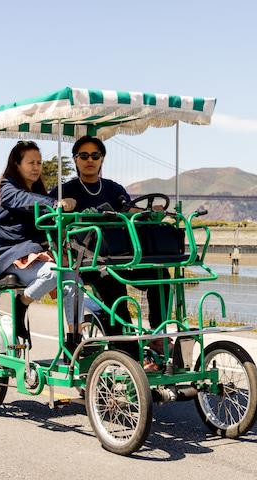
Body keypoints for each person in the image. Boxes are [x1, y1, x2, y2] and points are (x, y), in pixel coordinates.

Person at [51, 135, 171, 369]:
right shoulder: (64, 190)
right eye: (83, 155)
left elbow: (130, 209)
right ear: (75, 160)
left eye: (95, 155)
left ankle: (158, 334)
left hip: (118, 255)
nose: (89, 160)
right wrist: (61, 206)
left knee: (161, 275)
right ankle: (131, 358)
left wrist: (151, 212)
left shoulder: (114, 189)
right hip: (85, 260)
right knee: (113, 287)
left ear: (102, 159)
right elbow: (48, 214)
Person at [0, 141, 83, 354]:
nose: (36, 167)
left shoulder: (39, 192)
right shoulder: (7, 187)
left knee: (73, 281)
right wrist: (54, 204)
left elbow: (49, 218)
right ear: (17, 164)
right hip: (9, 256)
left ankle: (74, 340)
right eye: (31, 162)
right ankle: (22, 304)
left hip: (35, 254)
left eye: (39, 162)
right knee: (52, 273)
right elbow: (23, 199)